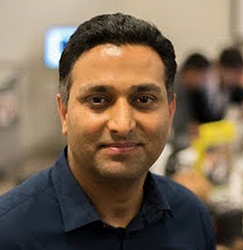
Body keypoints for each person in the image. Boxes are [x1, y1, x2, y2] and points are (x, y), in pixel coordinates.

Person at [0, 13, 215, 249]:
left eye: (143, 99)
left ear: (171, 111)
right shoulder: (10, 232)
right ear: (64, 113)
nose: (122, 125)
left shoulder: (191, 217)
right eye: (98, 100)